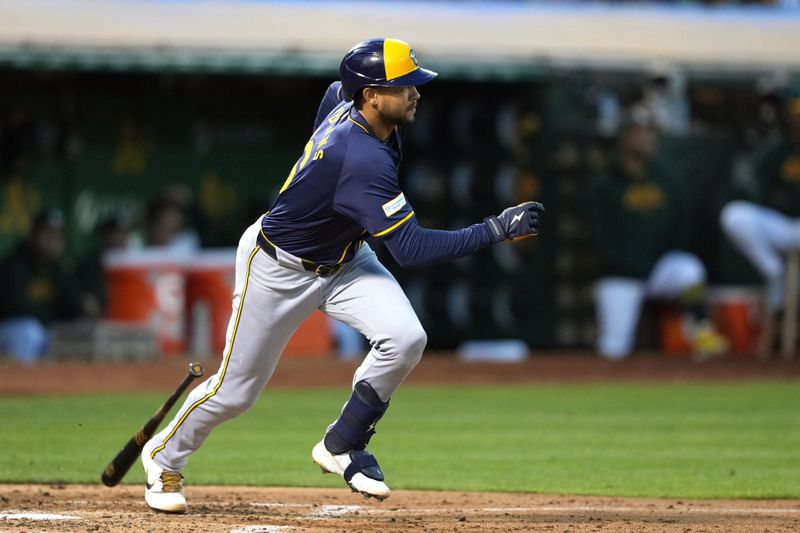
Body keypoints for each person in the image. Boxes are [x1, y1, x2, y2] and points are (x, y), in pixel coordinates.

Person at [140, 38, 544, 513]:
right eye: (405, 86)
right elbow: (410, 249)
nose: (417, 93)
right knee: (236, 392)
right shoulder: (362, 158)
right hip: (277, 268)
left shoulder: (349, 101)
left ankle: (344, 443)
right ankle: (163, 457)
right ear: (371, 94)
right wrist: (493, 229)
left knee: (405, 337)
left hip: (346, 259)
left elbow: (333, 90)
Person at [586, 119, 727, 360]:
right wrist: (626, 263)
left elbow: (683, 218)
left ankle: (701, 330)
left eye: (649, 133)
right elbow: (598, 235)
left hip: (657, 268)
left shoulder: (665, 176)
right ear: (624, 139)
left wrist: (661, 254)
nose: (647, 140)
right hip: (619, 274)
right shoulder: (605, 183)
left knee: (688, 269)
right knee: (613, 348)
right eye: (639, 133)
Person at [719, 89, 800, 316]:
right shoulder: (775, 149)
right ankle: (774, 272)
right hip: (782, 224)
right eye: (794, 115)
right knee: (734, 215)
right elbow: (760, 191)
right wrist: (779, 200)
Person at [0, 209, 85, 363]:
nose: (52, 241)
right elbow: (15, 307)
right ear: (32, 236)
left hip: (47, 329)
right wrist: (52, 316)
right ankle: (21, 381)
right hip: (10, 330)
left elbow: (74, 308)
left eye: (57, 236)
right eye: (47, 234)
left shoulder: (60, 271)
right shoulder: (13, 265)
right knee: (29, 330)